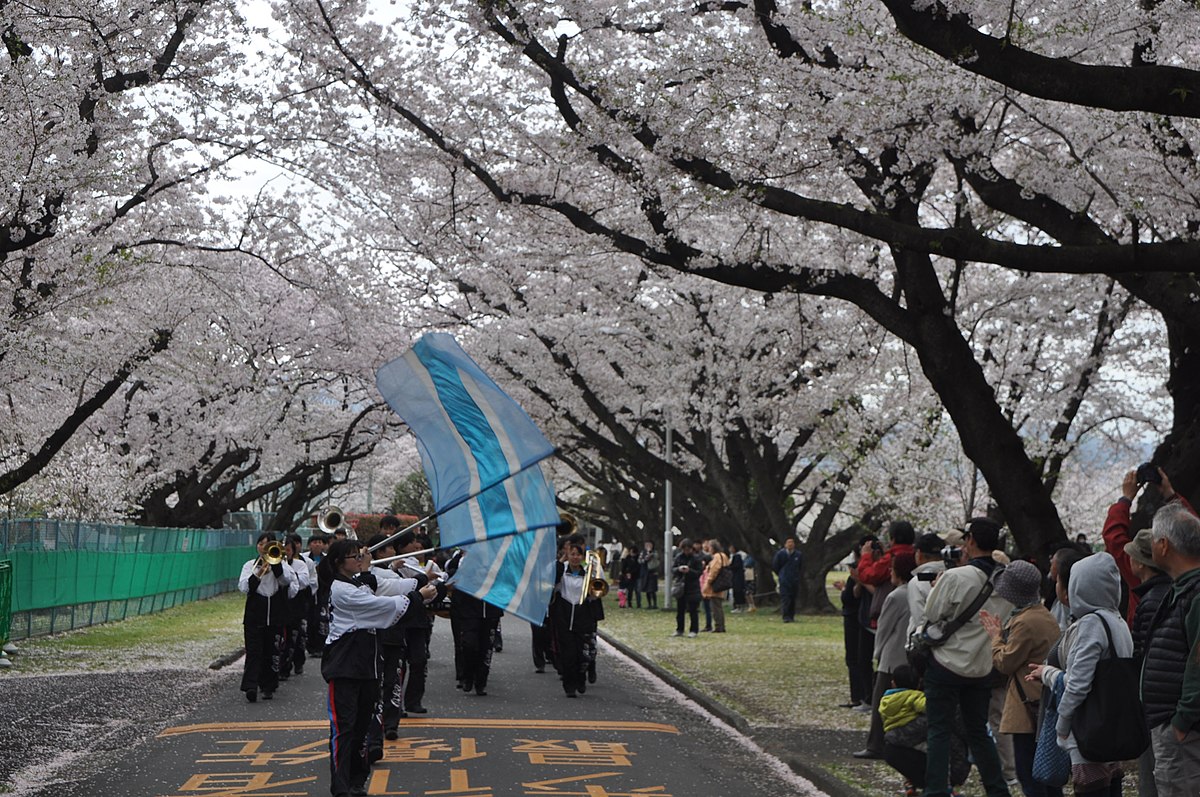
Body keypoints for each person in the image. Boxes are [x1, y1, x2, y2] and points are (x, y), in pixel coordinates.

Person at [318, 538, 435, 797]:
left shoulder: (359, 582)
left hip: (368, 667)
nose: (359, 560)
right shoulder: (341, 589)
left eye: (360, 555)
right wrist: (417, 598)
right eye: (354, 557)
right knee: (343, 728)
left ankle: (358, 780)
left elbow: (387, 586)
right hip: (345, 667)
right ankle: (340, 786)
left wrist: (422, 580)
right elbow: (380, 605)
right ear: (339, 563)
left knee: (362, 727)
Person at [918, 517, 1013, 797]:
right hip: (982, 666)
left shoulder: (955, 576)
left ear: (969, 541)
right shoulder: (1006, 581)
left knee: (939, 731)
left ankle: (935, 790)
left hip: (946, 663)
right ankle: (997, 790)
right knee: (979, 732)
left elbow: (932, 615)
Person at [1029, 552, 1131, 797]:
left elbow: (1077, 684)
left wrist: (1062, 728)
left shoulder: (1090, 625)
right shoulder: (1118, 621)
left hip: (1089, 730)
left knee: (1091, 789)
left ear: (1078, 587)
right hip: (1113, 725)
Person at [980, 560, 1062, 797]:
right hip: (1042, 701)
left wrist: (996, 637)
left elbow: (1005, 662)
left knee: (1030, 776)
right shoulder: (1043, 614)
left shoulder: (1025, 622)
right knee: (1047, 776)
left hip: (1028, 705)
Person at [1142, 502, 1200, 797]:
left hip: (1185, 732)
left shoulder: (1195, 593)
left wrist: (1182, 720)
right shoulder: (1181, 589)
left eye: (1152, 539)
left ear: (1163, 545)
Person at [855, 552, 916, 759]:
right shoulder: (919, 591)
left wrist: (877, 653)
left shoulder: (896, 596)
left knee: (880, 700)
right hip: (912, 656)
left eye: (892, 568)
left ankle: (875, 745)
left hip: (891, 658)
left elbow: (883, 628)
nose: (889, 572)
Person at [1125, 528, 1171, 797]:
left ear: (1141, 562)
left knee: (1154, 775)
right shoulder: (1165, 593)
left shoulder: (1152, 600)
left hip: (1156, 706)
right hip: (1162, 707)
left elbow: (1145, 654)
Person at [879, 664, 973, 797]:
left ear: (893, 683)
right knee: (936, 752)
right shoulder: (914, 696)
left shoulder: (886, 699)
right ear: (918, 683)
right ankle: (944, 787)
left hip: (897, 736)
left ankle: (910, 783)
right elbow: (930, 708)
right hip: (921, 741)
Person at [238, 532, 297, 703]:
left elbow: (287, 580)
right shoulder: (249, 565)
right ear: (258, 547)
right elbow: (244, 587)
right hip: (255, 616)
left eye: (268, 544)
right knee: (254, 651)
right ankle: (251, 686)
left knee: (272, 652)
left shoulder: (283, 564)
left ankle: (268, 686)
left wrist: (276, 566)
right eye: (261, 544)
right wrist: (259, 570)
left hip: (276, 616)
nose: (264, 547)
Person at [550, 542, 605, 697]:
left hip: (583, 618)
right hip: (564, 618)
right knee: (568, 655)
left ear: (582, 557)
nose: (575, 557)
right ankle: (569, 687)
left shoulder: (588, 572)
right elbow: (551, 581)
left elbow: (596, 595)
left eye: (578, 554)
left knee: (583, 655)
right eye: (572, 554)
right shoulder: (562, 572)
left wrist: (594, 575)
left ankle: (581, 679)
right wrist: (562, 560)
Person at [279, 533, 311, 680]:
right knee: (281, 639)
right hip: (279, 606)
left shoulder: (300, 564)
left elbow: (305, 582)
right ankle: (281, 667)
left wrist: (290, 575)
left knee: (295, 639)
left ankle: (293, 664)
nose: (286, 554)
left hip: (295, 606)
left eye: (288, 550)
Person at [858, 521, 917, 588]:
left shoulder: (892, 558)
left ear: (893, 539)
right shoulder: (916, 555)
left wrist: (866, 555)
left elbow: (866, 576)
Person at [671, 538, 703, 637]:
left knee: (693, 610)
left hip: (692, 587)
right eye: (684, 549)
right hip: (681, 587)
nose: (686, 551)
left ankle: (694, 630)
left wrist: (689, 571)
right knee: (680, 610)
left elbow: (699, 572)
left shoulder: (696, 559)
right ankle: (679, 629)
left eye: (688, 549)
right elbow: (673, 569)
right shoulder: (678, 557)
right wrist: (679, 569)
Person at [772, 536, 804, 623]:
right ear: (785, 544)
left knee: (793, 598)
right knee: (785, 598)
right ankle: (785, 616)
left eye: (792, 542)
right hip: (784, 580)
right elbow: (775, 566)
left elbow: (800, 567)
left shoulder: (798, 555)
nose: (790, 544)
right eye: (788, 542)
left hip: (794, 580)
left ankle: (791, 616)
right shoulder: (780, 554)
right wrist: (782, 574)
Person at [702, 540, 730, 633]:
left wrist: (708, 582)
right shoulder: (724, 556)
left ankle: (719, 626)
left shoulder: (717, 557)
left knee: (715, 607)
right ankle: (721, 625)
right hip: (721, 583)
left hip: (715, 584)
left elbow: (714, 571)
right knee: (718, 606)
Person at [638, 541, 661, 609]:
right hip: (645, 572)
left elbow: (656, 558)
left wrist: (650, 553)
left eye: (649, 545)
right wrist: (645, 559)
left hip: (652, 572)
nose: (648, 546)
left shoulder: (655, 552)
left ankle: (655, 604)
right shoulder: (643, 552)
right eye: (646, 545)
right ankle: (649, 604)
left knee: (652, 589)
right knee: (647, 589)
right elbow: (640, 560)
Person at [729, 545, 747, 612]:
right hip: (735, 577)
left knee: (739, 592)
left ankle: (741, 606)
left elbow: (735, 566)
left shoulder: (737, 556)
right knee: (736, 592)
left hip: (738, 577)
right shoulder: (733, 556)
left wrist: (729, 566)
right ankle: (737, 606)